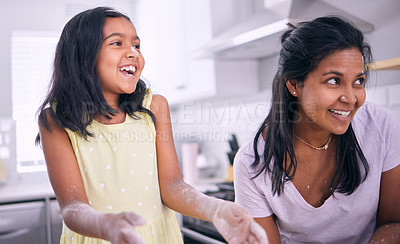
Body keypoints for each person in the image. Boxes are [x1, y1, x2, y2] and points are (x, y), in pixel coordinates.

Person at [36, 6, 268, 244]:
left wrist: (215, 209)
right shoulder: (55, 120)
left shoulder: (154, 107)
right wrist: (105, 225)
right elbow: (73, 207)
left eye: (136, 45)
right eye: (117, 43)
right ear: (83, 55)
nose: (133, 53)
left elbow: (173, 187)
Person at [233, 16, 400, 244]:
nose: (351, 98)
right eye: (333, 81)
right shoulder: (253, 163)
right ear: (293, 84)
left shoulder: (381, 127)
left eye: (358, 81)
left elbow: (394, 223)